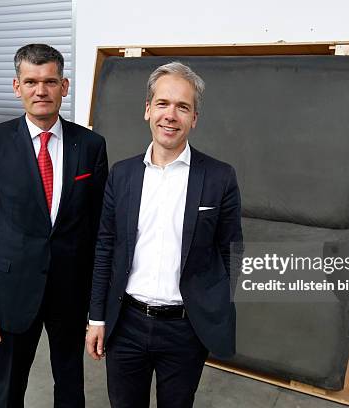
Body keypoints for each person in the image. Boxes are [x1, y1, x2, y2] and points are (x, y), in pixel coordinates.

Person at [85, 61, 243, 408]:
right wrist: (97, 318)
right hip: (125, 324)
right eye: (163, 103)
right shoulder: (122, 175)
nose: (171, 115)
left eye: (182, 107)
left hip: (185, 330)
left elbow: (231, 252)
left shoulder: (219, 177)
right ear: (147, 110)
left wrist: (209, 311)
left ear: (194, 118)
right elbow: (105, 248)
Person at [0, 43, 108, 407]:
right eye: (30, 82)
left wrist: (98, 307)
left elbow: (98, 232)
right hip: (12, 295)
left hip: (70, 295)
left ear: (65, 85)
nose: (40, 90)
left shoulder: (90, 145)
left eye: (49, 81)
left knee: (71, 386)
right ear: (16, 87)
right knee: (9, 388)